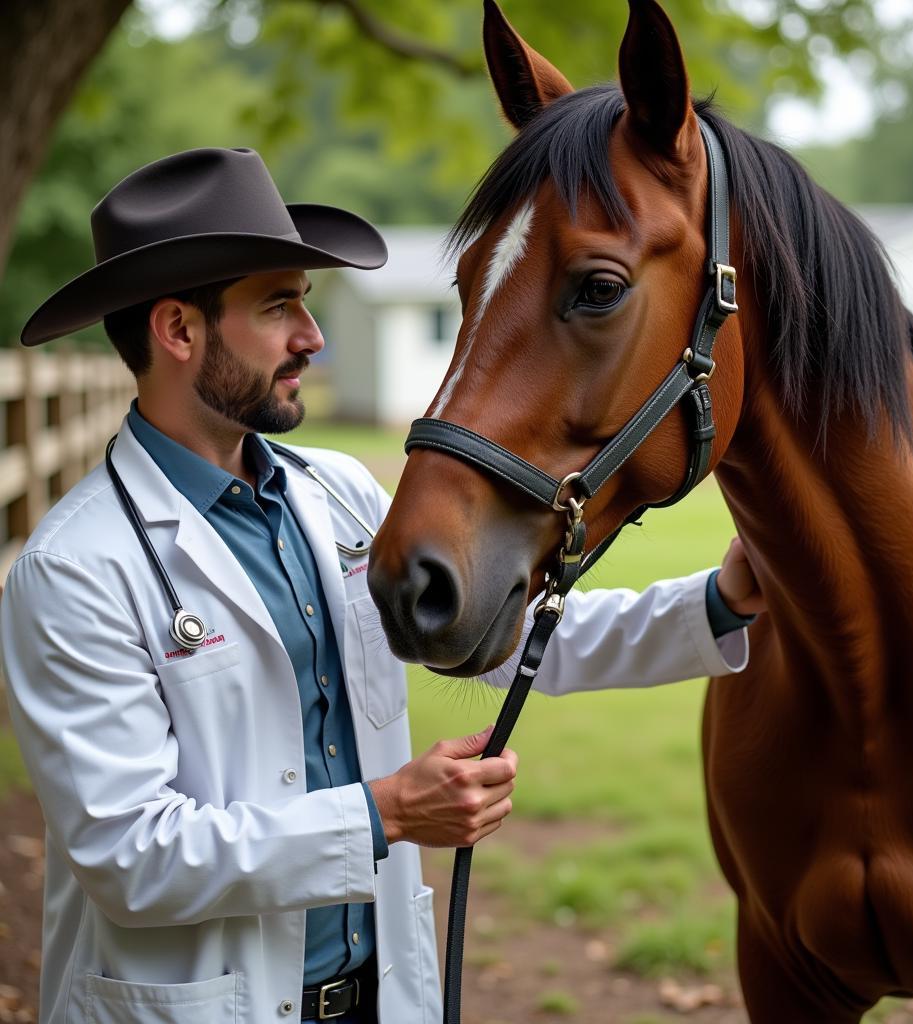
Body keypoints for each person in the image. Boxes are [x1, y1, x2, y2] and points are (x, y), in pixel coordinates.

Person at [0, 148, 763, 1024]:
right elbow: (130, 856)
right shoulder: (75, 571)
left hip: (380, 998)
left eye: (305, 305)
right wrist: (387, 812)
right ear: (178, 330)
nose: (311, 338)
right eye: (277, 305)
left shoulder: (340, 496)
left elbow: (513, 641)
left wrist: (721, 599)